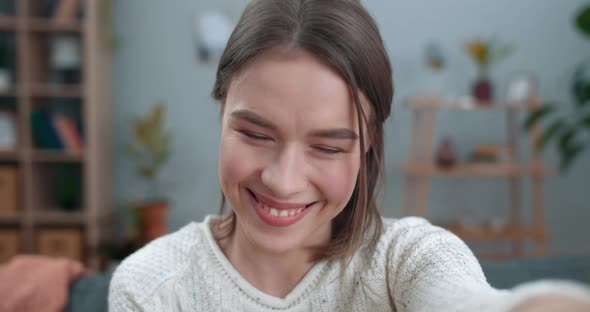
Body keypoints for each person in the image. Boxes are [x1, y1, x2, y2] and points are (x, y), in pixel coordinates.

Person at [109, 0, 590, 311]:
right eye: (256, 134)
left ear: (367, 147)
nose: (283, 179)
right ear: (222, 117)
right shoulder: (152, 288)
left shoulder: (404, 260)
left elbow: (465, 302)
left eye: (326, 146)